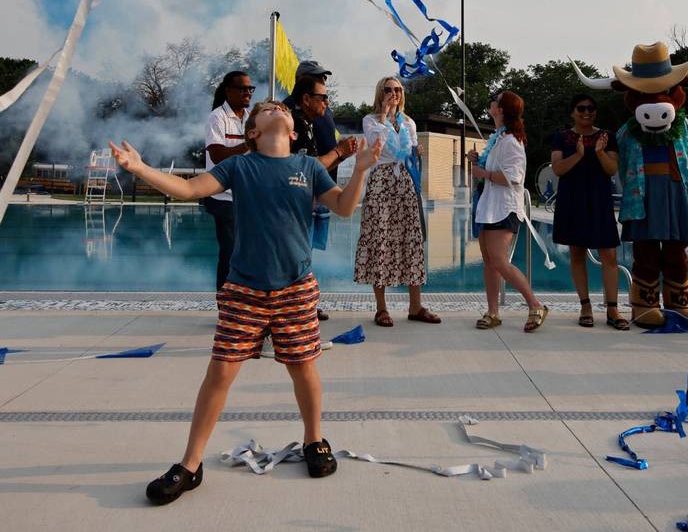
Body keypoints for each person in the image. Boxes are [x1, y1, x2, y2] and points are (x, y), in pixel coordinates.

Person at [108, 100, 380, 505]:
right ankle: (190, 464)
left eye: (278, 108)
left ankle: (314, 440)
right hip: (244, 290)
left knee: (303, 368)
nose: (275, 107)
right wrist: (140, 168)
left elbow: (343, 208)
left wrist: (359, 171)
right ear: (252, 132)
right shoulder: (239, 167)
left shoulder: (307, 168)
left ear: (291, 132)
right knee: (220, 374)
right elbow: (187, 189)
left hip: (295, 288)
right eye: (265, 108)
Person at [355, 76, 440, 327]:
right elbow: (377, 146)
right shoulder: (370, 120)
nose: (394, 93)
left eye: (398, 89)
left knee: (412, 240)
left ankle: (415, 306)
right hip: (382, 181)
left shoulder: (409, 122)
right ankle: (381, 308)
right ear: (380, 93)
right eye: (388, 89)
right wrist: (385, 114)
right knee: (379, 239)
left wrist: (416, 152)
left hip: (405, 181)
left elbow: (407, 151)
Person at [466, 91, 548, 332]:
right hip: (489, 207)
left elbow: (514, 178)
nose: (490, 101)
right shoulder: (499, 139)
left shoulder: (511, 141)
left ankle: (535, 304)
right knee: (489, 261)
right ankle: (492, 312)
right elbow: (495, 168)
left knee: (499, 261)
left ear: (500, 109)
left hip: (504, 209)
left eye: (495, 99)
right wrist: (478, 161)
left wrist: (485, 174)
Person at [549, 93, 628, 329]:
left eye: (591, 108)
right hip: (572, 201)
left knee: (609, 255)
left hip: (599, 201)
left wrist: (599, 152)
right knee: (577, 254)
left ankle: (613, 308)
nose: (587, 112)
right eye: (581, 108)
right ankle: (585, 306)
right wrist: (579, 154)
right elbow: (558, 169)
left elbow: (612, 169)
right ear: (573, 112)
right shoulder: (562, 138)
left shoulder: (607, 137)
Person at [289, 73, 357, 322]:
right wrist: (338, 151)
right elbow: (307, 168)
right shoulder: (295, 124)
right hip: (293, 206)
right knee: (295, 257)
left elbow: (316, 169)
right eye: (323, 98)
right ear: (306, 99)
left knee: (304, 255)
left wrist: (342, 156)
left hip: (306, 203)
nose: (326, 103)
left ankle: (303, 305)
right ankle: (295, 309)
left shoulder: (306, 124)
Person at [202, 71, 254, 291]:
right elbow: (217, 155)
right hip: (222, 195)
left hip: (246, 196)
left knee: (248, 252)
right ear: (228, 91)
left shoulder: (250, 117)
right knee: (230, 251)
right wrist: (247, 144)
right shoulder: (217, 117)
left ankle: (245, 302)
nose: (247, 93)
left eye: (250, 89)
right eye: (242, 88)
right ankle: (225, 303)